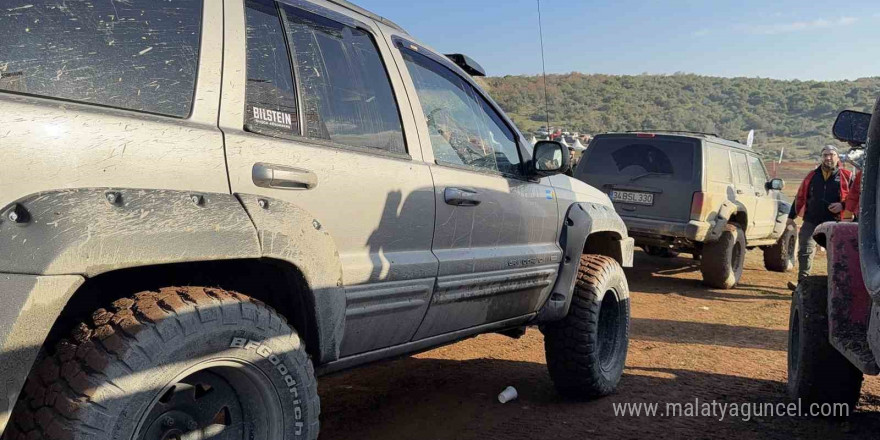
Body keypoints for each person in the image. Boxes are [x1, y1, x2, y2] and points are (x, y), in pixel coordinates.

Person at [786, 145, 853, 290]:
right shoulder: (812, 176)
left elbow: (856, 198)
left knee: (835, 254)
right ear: (821, 157)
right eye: (825, 155)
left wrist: (842, 205)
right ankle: (803, 284)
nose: (828, 158)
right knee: (805, 251)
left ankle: (833, 286)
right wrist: (791, 216)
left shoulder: (847, 176)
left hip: (835, 222)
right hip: (811, 220)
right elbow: (800, 196)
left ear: (837, 157)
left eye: (831, 154)